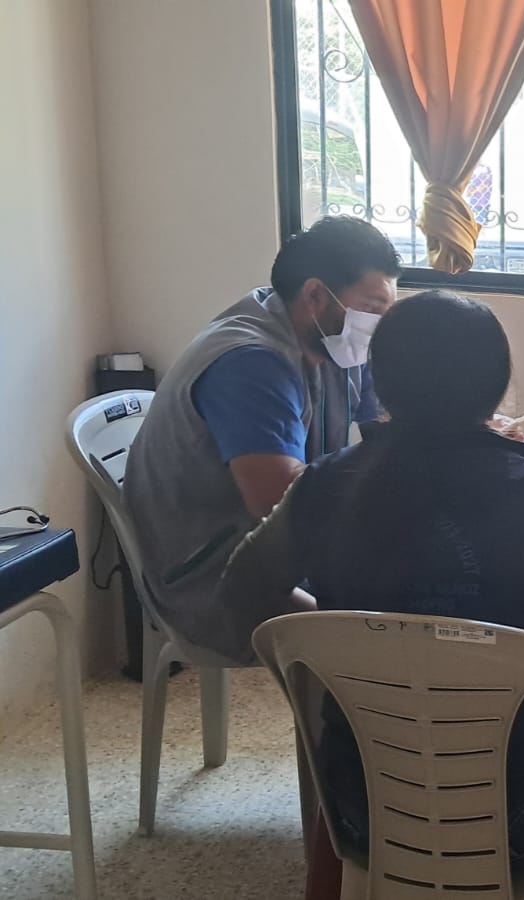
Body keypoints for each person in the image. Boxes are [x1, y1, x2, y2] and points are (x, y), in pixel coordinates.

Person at [218, 289, 524, 868]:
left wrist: (336, 641)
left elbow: (242, 589)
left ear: (381, 381)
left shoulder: (322, 484)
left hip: (365, 812)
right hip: (523, 819)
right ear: (494, 386)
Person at [122, 216, 400, 660]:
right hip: (216, 579)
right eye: (372, 310)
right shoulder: (250, 362)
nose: (378, 327)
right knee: (379, 639)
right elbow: (278, 501)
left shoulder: (334, 341)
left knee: (414, 580)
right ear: (315, 294)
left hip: (278, 547)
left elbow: (387, 430)